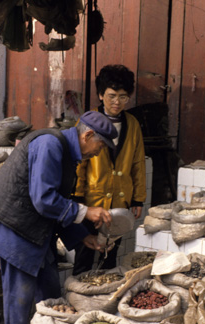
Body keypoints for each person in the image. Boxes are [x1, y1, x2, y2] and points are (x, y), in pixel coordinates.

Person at [0, 111, 116, 324]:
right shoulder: (50, 144)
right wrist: (86, 212)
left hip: (36, 229)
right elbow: (44, 199)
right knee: (19, 293)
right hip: (16, 227)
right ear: (88, 135)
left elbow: (58, 202)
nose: (99, 152)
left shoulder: (68, 153)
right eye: (101, 145)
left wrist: (82, 237)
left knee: (51, 288)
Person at [72, 64, 147, 276]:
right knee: (84, 254)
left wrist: (138, 199)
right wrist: (77, 196)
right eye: (112, 96)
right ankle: (78, 293)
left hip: (120, 201)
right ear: (100, 94)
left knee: (110, 255)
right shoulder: (88, 120)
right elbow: (80, 161)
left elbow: (137, 163)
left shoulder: (132, 124)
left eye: (123, 97)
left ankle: (104, 296)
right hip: (91, 201)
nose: (117, 102)